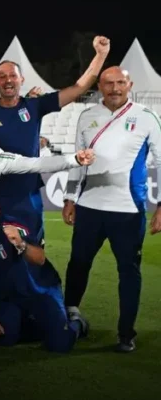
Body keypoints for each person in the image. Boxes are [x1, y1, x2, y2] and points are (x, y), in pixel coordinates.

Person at [0, 36, 110, 244]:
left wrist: (100, 55)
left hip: (29, 195)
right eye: (2, 76)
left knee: (34, 254)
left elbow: (79, 88)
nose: (8, 80)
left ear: (22, 80)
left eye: (12, 76)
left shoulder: (35, 105)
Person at [63, 67, 161, 353]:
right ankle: (70, 315)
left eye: (120, 82)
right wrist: (70, 198)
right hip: (89, 207)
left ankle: (125, 333)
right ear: (100, 86)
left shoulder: (145, 116)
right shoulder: (87, 116)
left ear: (129, 84)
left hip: (128, 210)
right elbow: (76, 160)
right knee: (78, 264)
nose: (115, 88)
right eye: (108, 83)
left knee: (128, 271)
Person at [0, 189, 88, 352]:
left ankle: (76, 322)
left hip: (41, 291)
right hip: (8, 297)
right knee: (3, 338)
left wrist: (20, 243)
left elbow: (40, 259)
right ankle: (31, 324)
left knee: (59, 344)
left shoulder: (14, 229)